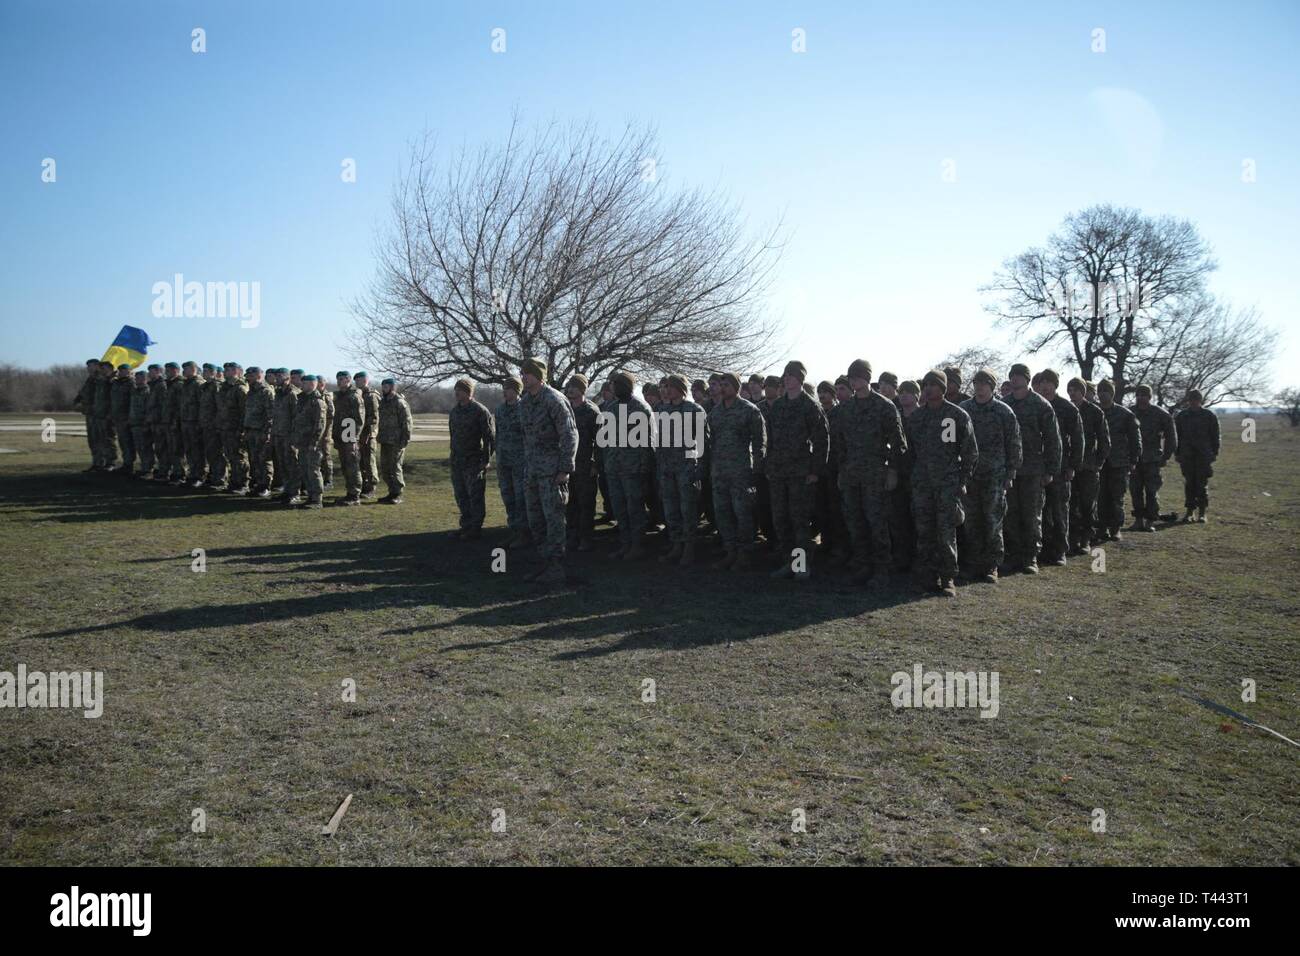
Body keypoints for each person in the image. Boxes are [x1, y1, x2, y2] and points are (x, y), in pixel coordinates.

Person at [833, 358, 907, 588]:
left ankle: (882, 569)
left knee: (877, 523)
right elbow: (838, 443)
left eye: (858, 377)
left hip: (876, 474)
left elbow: (898, 443)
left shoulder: (884, 407)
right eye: (851, 377)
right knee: (855, 522)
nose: (854, 381)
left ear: (867, 378)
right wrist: (841, 470)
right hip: (851, 474)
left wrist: (892, 471)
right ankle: (862, 565)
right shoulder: (844, 409)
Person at [910, 370, 978, 597]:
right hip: (922, 483)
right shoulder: (917, 417)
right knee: (924, 531)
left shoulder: (956, 415)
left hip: (948, 483)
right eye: (926, 384)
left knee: (946, 532)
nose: (928, 389)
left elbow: (970, 452)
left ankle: (948, 577)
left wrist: (962, 480)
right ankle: (927, 577)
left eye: (933, 385)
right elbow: (910, 452)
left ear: (943, 387)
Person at [764, 361, 828, 580]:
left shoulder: (810, 406)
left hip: (801, 473)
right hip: (779, 472)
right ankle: (788, 563)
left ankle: (801, 565)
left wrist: (815, 471)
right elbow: (769, 440)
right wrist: (769, 466)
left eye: (792, 376)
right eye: (786, 375)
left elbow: (821, 442)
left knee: (799, 520)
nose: (787, 379)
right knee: (781, 520)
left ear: (800, 379)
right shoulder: (778, 407)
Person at [518, 358, 579, 585]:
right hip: (532, 471)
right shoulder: (525, 402)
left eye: (527, 373)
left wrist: (565, 469)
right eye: (522, 373)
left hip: (552, 473)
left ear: (539, 376)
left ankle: (556, 567)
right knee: (536, 520)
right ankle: (544, 563)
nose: (523, 377)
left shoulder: (554, 399)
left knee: (554, 519)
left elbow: (570, 435)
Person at [959, 369, 1021, 583]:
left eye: (984, 384)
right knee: (971, 521)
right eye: (976, 383)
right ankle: (973, 564)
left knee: (993, 520)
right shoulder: (963, 410)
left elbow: (1014, 443)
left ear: (992, 387)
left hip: (995, 475)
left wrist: (1011, 472)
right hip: (970, 475)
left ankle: (992, 565)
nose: (980, 387)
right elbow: (952, 441)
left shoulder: (1004, 411)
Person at [1002, 363, 1061, 574]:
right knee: (1010, 515)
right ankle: (1014, 555)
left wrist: (1050, 470)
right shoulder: (1004, 405)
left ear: (1027, 380)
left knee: (1032, 515)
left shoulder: (1041, 405)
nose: (1015, 379)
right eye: (1012, 376)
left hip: (1033, 470)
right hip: (1010, 470)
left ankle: (1030, 557)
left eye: (1019, 376)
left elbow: (1053, 440)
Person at [707, 372, 767, 571]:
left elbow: (760, 443)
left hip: (741, 472)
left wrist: (756, 470)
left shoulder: (750, 411)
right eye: (720, 384)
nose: (722, 388)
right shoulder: (715, 413)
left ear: (737, 386)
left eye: (726, 384)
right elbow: (710, 442)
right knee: (723, 514)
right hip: (719, 472)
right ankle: (730, 551)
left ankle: (745, 554)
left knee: (743, 514)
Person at [601, 371, 656, 560]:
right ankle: (625, 544)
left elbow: (647, 443)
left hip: (633, 469)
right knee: (619, 508)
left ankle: (637, 545)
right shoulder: (611, 407)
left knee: (634, 509)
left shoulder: (640, 408)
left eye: (615, 384)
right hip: (614, 467)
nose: (612, 387)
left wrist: (644, 470)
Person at [655, 374, 707, 566]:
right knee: (671, 510)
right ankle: (676, 545)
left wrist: (699, 470)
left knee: (688, 510)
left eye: (671, 386)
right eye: (665, 386)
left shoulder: (694, 410)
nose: (666, 390)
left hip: (686, 468)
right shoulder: (661, 409)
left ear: (680, 389)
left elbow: (703, 443)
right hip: (667, 468)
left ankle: (689, 548)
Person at [1034, 369, 1083, 565]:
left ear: (1055, 385)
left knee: (1060, 510)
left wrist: (1073, 466)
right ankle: (1043, 549)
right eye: (1042, 382)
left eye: (1049, 382)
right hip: (1038, 468)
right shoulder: (1035, 405)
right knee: (1041, 513)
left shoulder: (1067, 409)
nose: (1045, 386)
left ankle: (1060, 551)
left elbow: (1078, 440)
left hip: (1061, 469)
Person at [1067, 376, 1111, 553]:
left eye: (1076, 389)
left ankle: (1086, 538)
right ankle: (1073, 539)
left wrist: (1098, 462)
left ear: (1083, 392)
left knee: (1087, 504)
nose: (1072, 393)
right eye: (1070, 389)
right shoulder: (1066, 409)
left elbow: (1104, 441)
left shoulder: (1095, 412)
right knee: (1071, 504)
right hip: (1070, 466)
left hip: (1088, 467)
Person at [447, 378, 494, 536]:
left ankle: (475, 528)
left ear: (468, 392)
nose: (457, 393)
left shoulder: (480, 411)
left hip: (474, 461)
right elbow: (452, 435)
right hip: (457, 461)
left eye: (460, 390)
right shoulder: (454, 412)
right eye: (456, 390)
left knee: (475, 496)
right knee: (461, 495)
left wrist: (486, 460)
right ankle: (465, 525)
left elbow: (489, 438)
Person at [1096, 379, 1142, 540]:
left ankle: (1115, 528)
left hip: (1119, 463)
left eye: (1106, 391)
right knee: (1100, 497)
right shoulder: (1094, 412)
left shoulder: (1125, 415)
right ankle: (1101, 528)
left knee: (1117, 497)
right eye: (1100, 391)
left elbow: (1135, 439)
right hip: (1099, 463)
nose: (1102, 394)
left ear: (1112, 393)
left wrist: (1134, 460)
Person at [1130, 384, 1178, 531]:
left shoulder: (1160, 414)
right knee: (1135, 490)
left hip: (1152, 460)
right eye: (1138, 395)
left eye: (1144, 395)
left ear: (1150, 397)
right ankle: (1138, 520)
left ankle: (1150, 521)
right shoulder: (1130, 413)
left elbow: (1171, 437)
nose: (1140, 398)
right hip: (1134, 460)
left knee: (1151, 491)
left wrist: (1166, 456)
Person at [565, 374, 601, 553]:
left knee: (586, 503)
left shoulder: (592, 411)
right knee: (569, 503)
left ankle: (586, 538)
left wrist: (595, 464)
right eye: (569, 386)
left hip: (586, 466)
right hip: (568, 465)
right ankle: (572, 536)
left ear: (583, 389)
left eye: (574, 386)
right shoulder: (565, 409)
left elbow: (601, 441)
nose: (570, 389)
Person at [495, 376, 531, 548]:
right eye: (504, 388)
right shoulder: (500, 410)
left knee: (521, 499)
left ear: (517, 390)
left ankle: (524, 534)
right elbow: (498, 435)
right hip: (504, 462)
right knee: (508, 497)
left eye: (508, 389)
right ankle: (514, 531)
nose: (505, 392)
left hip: (520, 462)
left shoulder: (525, 408)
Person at [1175, 389, 1220, 523]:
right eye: (1191, 399)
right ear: (1188, 400)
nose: (1193, 402)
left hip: (1203, 455)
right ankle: (1189, 512)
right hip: (1187, 455)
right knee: (1189, 484)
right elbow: (1177, 436)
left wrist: (1214, 453)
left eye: (1196, 399)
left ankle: (1202, 512)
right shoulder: (1182, 416)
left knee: (1201, 484)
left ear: (1200, 400)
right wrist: (1177, 453)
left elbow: (1215, 436)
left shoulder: (1209, 415)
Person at [292, 375, 328, 509]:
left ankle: (317, 499)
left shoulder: (317, 402)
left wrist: (315, 442)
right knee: (305, 469)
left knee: (313, 470)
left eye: (305, 383)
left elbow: (320, 424)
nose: (303, 385)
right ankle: (310, 496)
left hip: (312, 442)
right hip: (302, 441)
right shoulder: (301, 399)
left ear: (313, 384)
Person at [377, 378, 412, 504]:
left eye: (386, 386)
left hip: (396, 442)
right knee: (385, 468)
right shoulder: (383, 402)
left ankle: (398, 493)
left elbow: (407, 423)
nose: (384, 389)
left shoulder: (399, 402)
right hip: (385, 440)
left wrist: (404, 440)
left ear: (392, 387)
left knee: (395, 467)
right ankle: (391, 492)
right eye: (383, 386)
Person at [243, 367, 275, 498]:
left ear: (258, 375)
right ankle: (258, 484)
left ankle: (265, 486)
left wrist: (267, 432)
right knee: (254, 459)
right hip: (251, 430)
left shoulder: (266, 391)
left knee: (264, 459)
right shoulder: (251, 391)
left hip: (261, 431)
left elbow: (271, 414)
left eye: (250, 375)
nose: (247, 378)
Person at [217, 362, 248, 493]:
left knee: (239, 457)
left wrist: (241, 429)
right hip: (225, 427)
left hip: (235, 428)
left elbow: (244, 411)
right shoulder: (224, 388)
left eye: (229, 370)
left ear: (236, 371)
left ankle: (242, 484)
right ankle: (234, 482)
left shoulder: (240, 388)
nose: (225, 372)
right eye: (225, 370)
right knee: (230, 456)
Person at [354, 371, 381, 500]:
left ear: (365, 380)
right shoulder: (358, 395)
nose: (357, 383)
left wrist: (368, 434)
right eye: (356, 381)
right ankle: (364, 486)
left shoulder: (370, 396)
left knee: (369, 462)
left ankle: (371, 487)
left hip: (368, 435)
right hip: (358, 434)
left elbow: (373, 418)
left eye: (359, 380)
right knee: (361, 462)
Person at [73, 359, 100, 471]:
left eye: (91, 366)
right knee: (92, 439)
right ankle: (96, 462)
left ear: (97, 366)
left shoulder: (100, 379)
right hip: (89, 413)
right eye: (88, 366)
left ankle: (104, 463)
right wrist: (77, 401)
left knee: (100, 439)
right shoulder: (89, 380)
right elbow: (83, 393)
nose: (88, 368)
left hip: (98, 413)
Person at [109, 364, 135, 474]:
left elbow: (133, 400)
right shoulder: (116, 383)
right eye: (120, 370)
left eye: (124, 370)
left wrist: (130, 416)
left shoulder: (131, 383)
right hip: (117, 417)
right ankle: (126, 463)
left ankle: (129, 465)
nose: (122, 372)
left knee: (128, 442)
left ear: (129, 371)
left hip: (127, 417)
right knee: (122, 442)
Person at [128, 370, 151, 477]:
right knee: (139, 447)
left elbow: (149, 409)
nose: (136, 380)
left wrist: (146, 423)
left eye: (139, 378)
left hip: (143, 424)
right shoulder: (135, 391)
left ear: (145, 379)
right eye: (135, 378)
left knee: (145, 447)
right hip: (135, 423)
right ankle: (144, 467)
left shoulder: (148, 391)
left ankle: (148, 468)